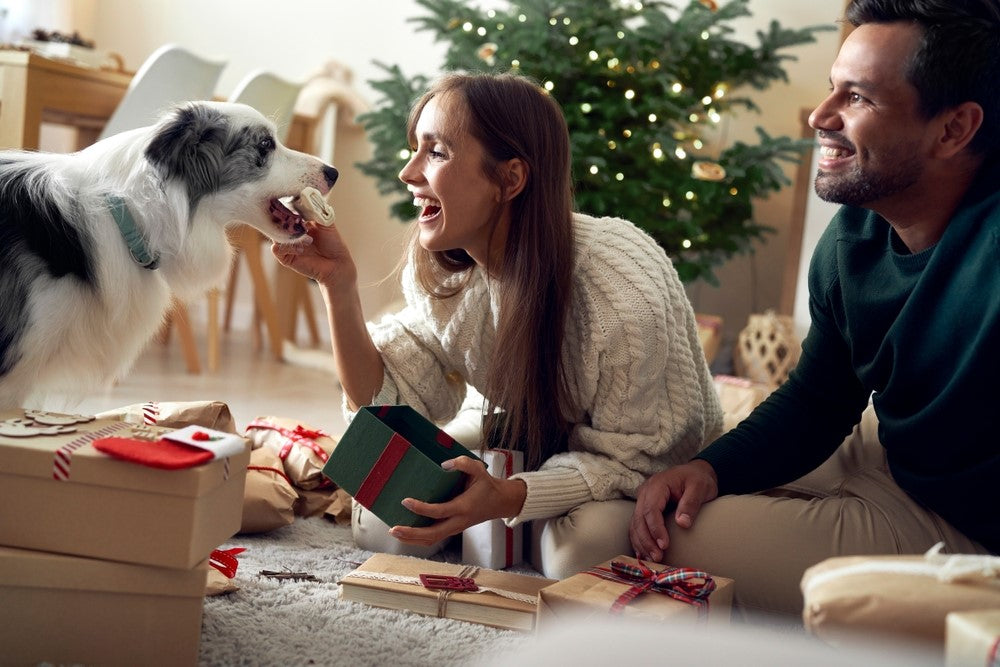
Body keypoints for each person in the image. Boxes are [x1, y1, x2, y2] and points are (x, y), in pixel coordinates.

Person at [629, 0, 1000, 619]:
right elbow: (818, 400)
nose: (820, 117)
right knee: (618, 517)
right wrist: (711, 468)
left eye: (857, 98)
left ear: (954, 129)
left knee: (647, 542)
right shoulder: (852, 236)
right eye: (833, 88)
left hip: (962, 524)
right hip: (889, 456)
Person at [273, 72, 723, 579]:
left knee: (571, 555)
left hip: (639, 456)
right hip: (521, 427)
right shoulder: (448, 270)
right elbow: (387, 405)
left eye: (436, 151)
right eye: (414, 148)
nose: (408, 172)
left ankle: (506, 514)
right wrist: (339, 284)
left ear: (510, 179)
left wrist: (509, 495)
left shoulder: (619, 289)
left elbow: (639, 455)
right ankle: (494, 512)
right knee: (387, 519)